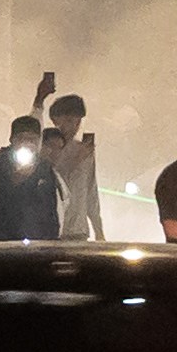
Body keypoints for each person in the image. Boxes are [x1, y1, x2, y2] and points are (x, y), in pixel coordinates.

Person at [0, 115, 64, 241]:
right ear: (12, 140)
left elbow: (50, 208)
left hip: (39, 244)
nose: (27, 144)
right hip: (5, 243)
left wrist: (52, 239)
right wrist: (17, 179)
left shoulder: (44, 168)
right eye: (22, 138)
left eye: (32, 139)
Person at [46, 93, 106, 241]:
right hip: (52, 229)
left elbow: (91, 190)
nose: (74, 127)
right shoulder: (47, 148)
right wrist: (76, 160)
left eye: (77, 122)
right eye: (68, 120)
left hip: (79, 230)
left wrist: (98, 230)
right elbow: (52, 177)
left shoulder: (84, 150)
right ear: (55, 120)